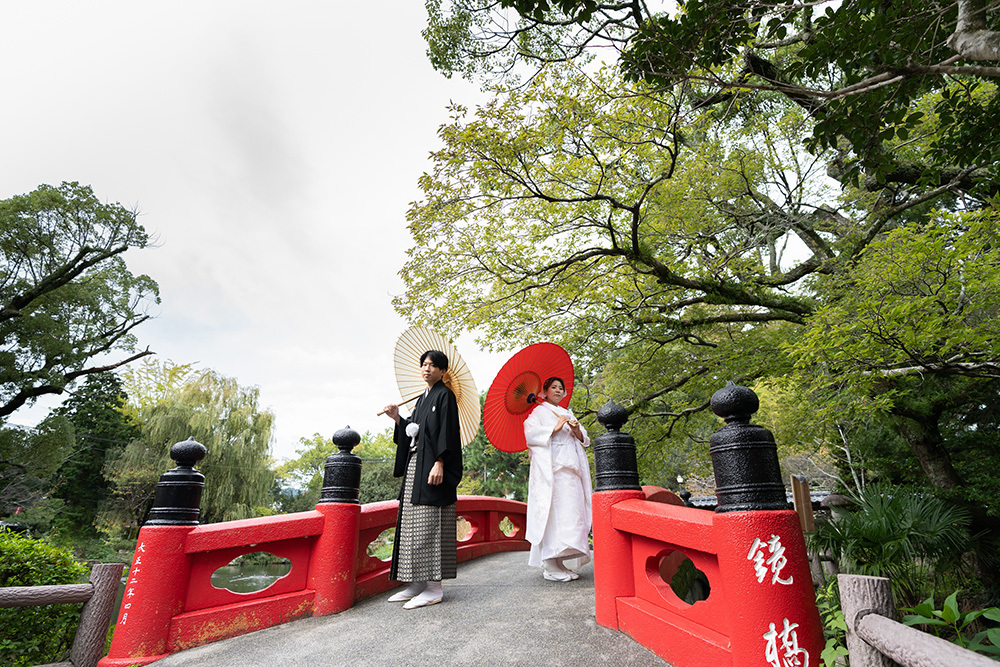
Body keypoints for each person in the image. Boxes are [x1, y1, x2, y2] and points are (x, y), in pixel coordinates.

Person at [381, 349, 463, 609]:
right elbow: (411, 432)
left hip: (433, 467)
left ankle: (434, 587)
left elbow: (448, 433)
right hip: (416, 467)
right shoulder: (421, 400)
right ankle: (417, 582)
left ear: (442, 371)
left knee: (430, 524)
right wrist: (397, 419)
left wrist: (440, 462)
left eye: (433, 365)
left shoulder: (445, 395)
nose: (427, 369)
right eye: (424, 365)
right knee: (412, 524)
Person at [522, 376, 592, 582]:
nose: (558, 391)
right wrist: (553, 428)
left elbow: (584, 439)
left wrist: (576, 429)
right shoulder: (539, 412)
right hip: (553, 471)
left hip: (571, 469)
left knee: (571, 514)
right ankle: (550, 563)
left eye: (561, 388)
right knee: (554, 514)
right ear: (544, 391)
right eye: (554, 387)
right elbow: (531, 434)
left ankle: (559, 561)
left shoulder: (567, 412)